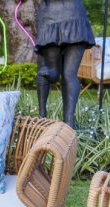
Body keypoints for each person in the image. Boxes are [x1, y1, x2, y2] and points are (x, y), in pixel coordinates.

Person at [34, 0, 94, 129]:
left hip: (50, 18)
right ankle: (69, 122)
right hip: (75, 17)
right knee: (70, 75)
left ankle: (42, 116)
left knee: (51, 69)